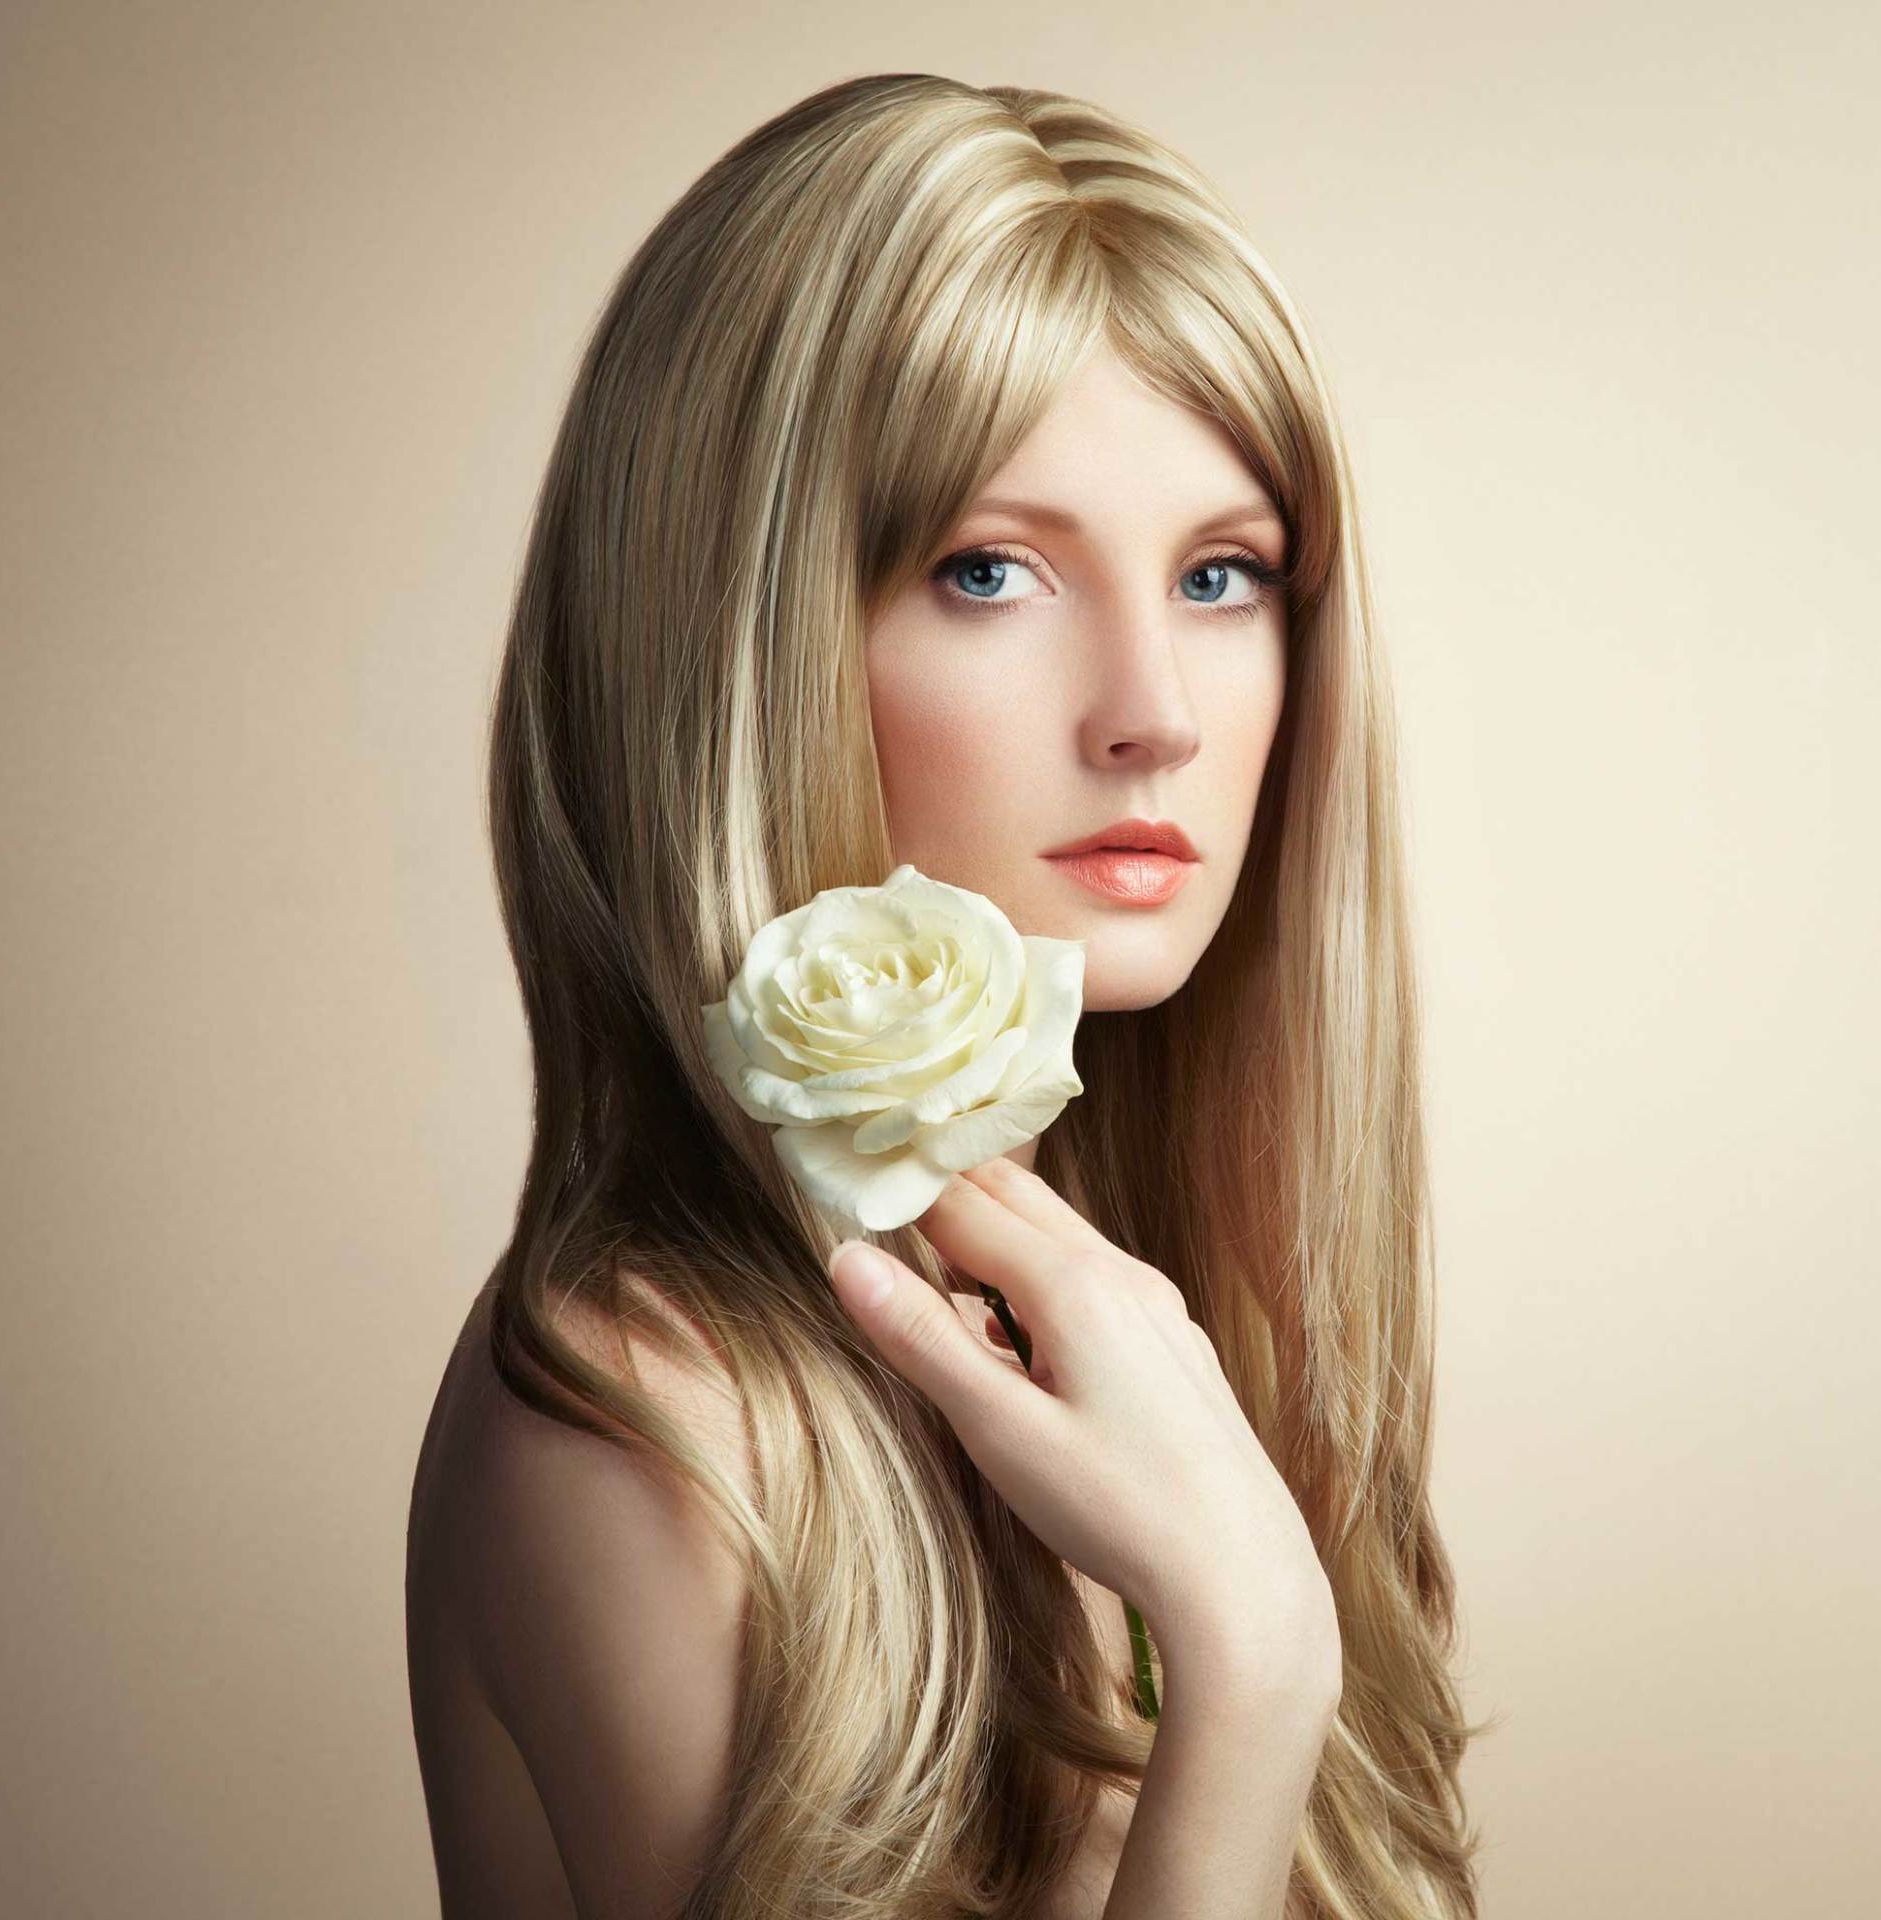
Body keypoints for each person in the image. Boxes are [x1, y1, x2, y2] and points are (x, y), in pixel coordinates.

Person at [405, 71, 1492, 1920]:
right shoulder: (652, 1426)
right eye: (990, 571)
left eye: (1225, 575)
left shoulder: (1158, 1329)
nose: (1154, 704)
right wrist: (1246, 1672)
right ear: (738, 648)